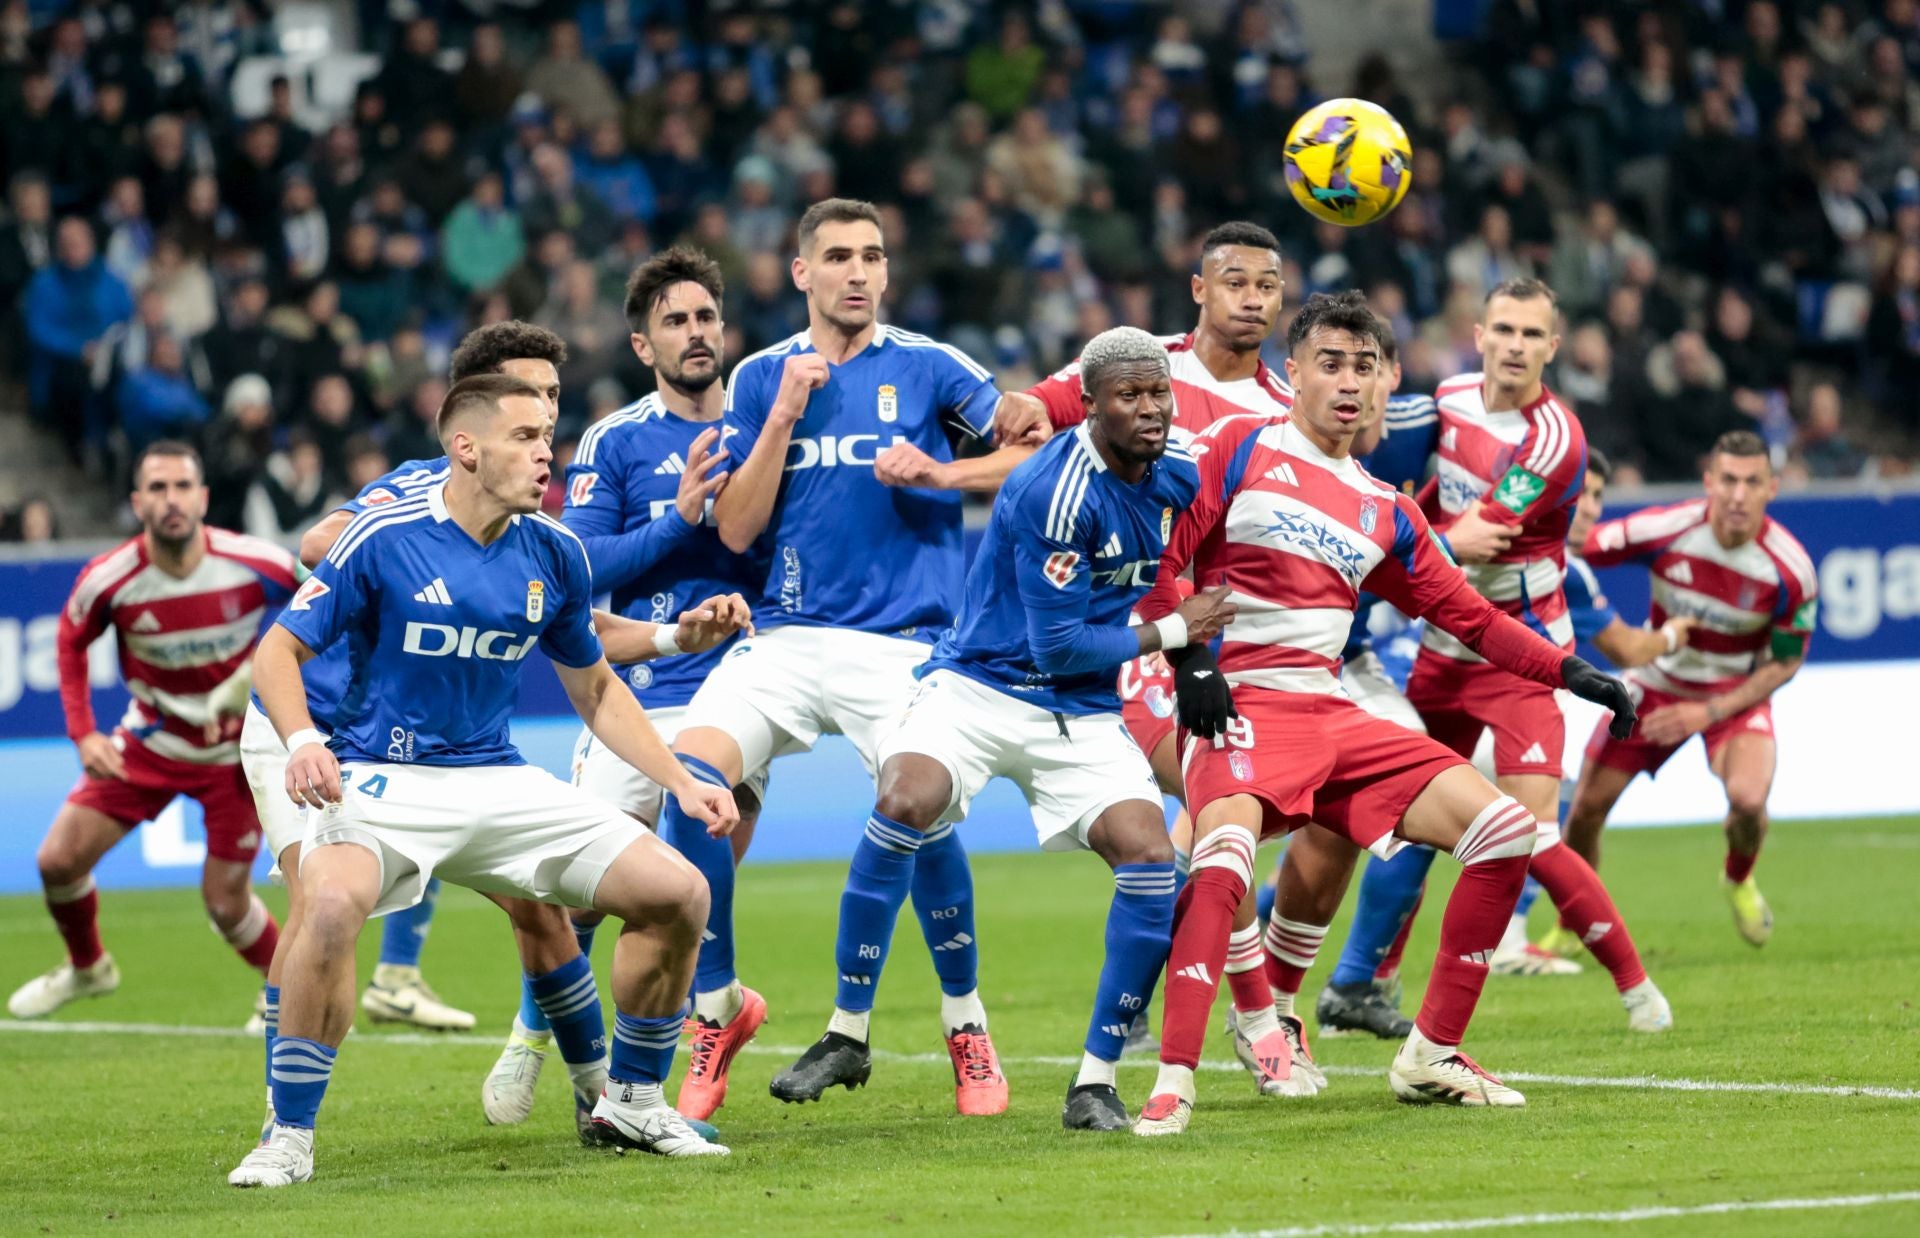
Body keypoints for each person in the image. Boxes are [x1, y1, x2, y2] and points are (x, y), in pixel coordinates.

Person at [1130, 292, 1638, 1136]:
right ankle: (1174, 1081)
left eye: (1364, 367)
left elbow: (1470, 617)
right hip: (1238, 695)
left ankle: (1431, 1051)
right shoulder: (1237, 447)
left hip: (1329, 708)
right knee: (1218, 859)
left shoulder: (1384, 508)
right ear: (1292, 373)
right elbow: (1164, 558)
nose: (1348, 382)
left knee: (1504, 830)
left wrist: (1574, 671)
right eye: (1329, 363)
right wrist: (1190, 662)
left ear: (1383, 384)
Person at [228, 375, 736, 1189]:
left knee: (677, 892)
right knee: (324, 905)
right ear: (466, 447)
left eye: (550, 435)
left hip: (495, 778)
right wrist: (301, 742)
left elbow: (597, 686)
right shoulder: (384, 534)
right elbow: (277, 651)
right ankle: (288, 1135)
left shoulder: (554, 549)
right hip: (379, 774)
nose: (548, 454)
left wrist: (679, 780)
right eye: (529, 436)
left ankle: (633, 1099)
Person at [792, 327, 1232, 1133]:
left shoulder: (1177, 479)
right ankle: (847, 1031)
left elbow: (1186, 574)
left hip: (1082, 711)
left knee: (1147, 854)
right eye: (1128, 396)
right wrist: (1174, 639)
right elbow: (1056, 645)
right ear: (1091, 407)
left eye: (1158, 392)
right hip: (982, 686)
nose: (1149, 409)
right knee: (903, 797)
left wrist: (1198, 657)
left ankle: (1095, 1080)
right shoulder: (1053, 489)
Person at [658, 198, 1024, 1116]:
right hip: (783, 637)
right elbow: (736, 528)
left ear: (886, 274)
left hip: (903, 643)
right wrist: (780, 417)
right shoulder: (759, 378)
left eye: (872, 255)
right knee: (689, 782)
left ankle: (965, 1025)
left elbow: (1033, 452)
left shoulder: (934, 366)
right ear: (801, 274)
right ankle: (716, 1011)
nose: (857, 272)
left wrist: (943, 474)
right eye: (838, 257)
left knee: (923, 811)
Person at [483, 246, 769, 1127]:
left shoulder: (764, 431)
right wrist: (675, 521)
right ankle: (539, 1037)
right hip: (635, 687)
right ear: (643, 346)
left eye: (705, 317)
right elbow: (579, 562)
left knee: (675, 898)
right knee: (580, 905)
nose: (695, 334)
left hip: (734, 698)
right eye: (674, 322)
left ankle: (651, 1082)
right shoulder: (616, 440)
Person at [1405, 278, 1671, 1032]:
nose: (1516, 346)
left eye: (1532, 334)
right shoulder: (1448, 398)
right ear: (1479, 333)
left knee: (1530, 835)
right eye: (1504, 330)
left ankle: (1632, 983)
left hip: (1521, 650)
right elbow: (1432, 505)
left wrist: (1400, 546)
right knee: (1391, 824)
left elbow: (1480, 532)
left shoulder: (1556, 438)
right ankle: (1365, 982)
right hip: (1440, 645)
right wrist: (1413, 527)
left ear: (1552, 347)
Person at [9, 443, 297, 1022]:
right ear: (138, 501)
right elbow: (69, 643)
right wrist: (84, 734)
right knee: (57, 861)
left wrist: (276, 673)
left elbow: (323, 603)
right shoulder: (110, 579)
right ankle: (89, 966)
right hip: (152, 743)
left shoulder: (256, 562)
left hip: (233, 755)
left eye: (183, 487)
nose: (172, 500)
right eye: (158, 488)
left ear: (203, 498)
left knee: (224, 902)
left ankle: (287, 992)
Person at [1566, 430, 1816, 948]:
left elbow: (1785, 664)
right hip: (1654, 684)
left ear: (1772, 488)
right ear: (1708, 482)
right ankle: (1576, 924)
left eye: (1751, 483)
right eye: (1727, 480)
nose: (1738, 495)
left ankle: (1738, 876)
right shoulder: (1667, 528)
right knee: (1586, 810)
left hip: (1731, 696)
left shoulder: (1792, 571)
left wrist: (1710, 711)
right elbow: (1578, 544)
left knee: (1748, 800)